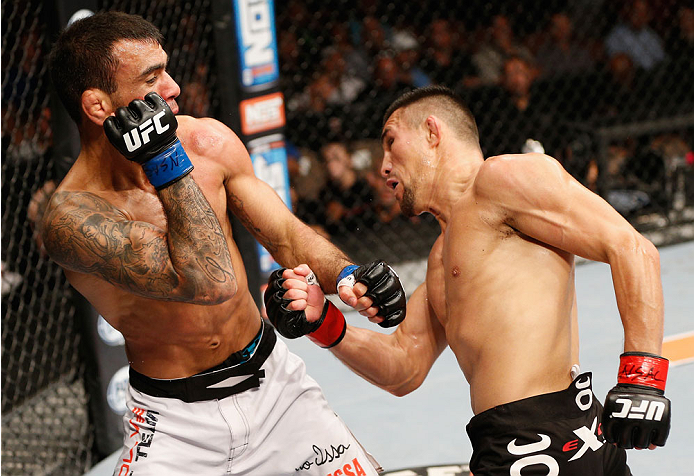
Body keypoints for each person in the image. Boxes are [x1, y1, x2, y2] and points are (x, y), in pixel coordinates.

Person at [40, 11, 407, 475]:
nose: (173, 88)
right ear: (97, 107)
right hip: (173, 426)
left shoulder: (207, 142)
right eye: (152, 78)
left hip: (274, 388)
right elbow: (209, 281)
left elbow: (286, 235)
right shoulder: (73, 218)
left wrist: (349, 275)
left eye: (167, 69)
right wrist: (164, 160)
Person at [268, 86, 672, 475]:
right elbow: (403, 366)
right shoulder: (443, 256)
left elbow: (631, 248)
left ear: (431, 132)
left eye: (391, 142)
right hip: (540, 435)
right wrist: (325, 324)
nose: (383, 165)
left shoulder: (500, 179)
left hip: (536, 440)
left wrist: (643, 379)